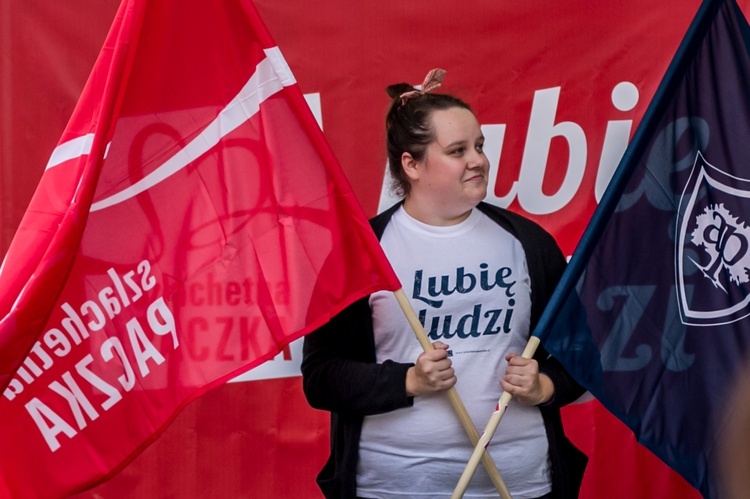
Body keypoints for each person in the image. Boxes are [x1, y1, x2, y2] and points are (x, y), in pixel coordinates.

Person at [301, 68, 587, 499]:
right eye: (457, 150)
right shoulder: (366, 252)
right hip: (394, 487)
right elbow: (320, 377)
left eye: (479, 146)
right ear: (411, 164)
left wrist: (545, 385)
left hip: (519, 484)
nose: (478, 160)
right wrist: (407, 381)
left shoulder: (527, 243)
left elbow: (583, 353)